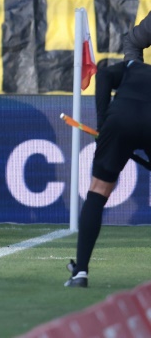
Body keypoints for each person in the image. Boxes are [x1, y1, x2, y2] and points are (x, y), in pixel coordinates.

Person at [65, 59, 151, 288]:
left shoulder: (128, 67)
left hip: (120, 118)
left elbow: (102, 76)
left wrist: (102, 123)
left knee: (98, 191)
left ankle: (80, 272)